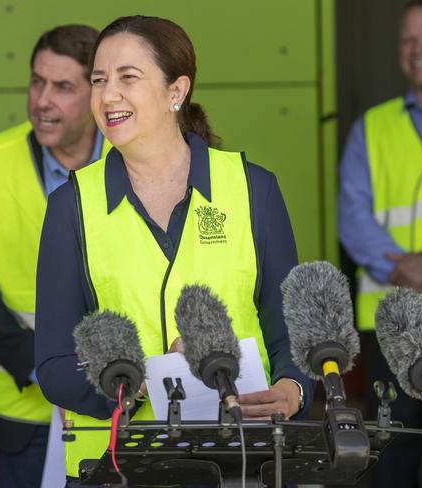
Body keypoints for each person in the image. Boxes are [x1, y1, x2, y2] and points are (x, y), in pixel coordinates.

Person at [34, 15, 314, 483]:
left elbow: (292, 332)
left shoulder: (253, 189)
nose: (107, 96)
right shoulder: (71, 205)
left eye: (128, 78)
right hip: (112, 465)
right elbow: (56, 365)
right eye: (99, 80)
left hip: (240, 459)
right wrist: (146, 379)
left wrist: (292, 390)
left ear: (176, 91)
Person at [0, 24, 110, 488]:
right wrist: (37, 365)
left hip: (126, 406)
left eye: (62, 87)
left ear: (97, 94)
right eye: (37, 82)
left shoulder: (133, 157)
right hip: (26, 412)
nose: (42, 100)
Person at [338, 1, 422, 486]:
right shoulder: (372, 127)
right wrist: (418, 279)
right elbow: (353, 218)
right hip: (392, 325)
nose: (418, 50)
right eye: (409, 39)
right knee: (390, 459)